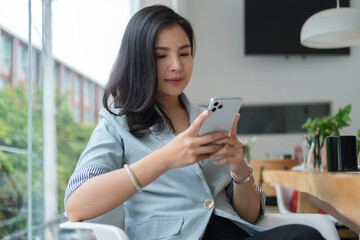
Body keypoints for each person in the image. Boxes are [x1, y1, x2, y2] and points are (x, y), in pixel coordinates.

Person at [64, 5, 325, 240]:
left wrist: (239, 169)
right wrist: (166, 158)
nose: (177, 66)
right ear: (139, 60)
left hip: (233, 234)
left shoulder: (206, 117)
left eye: (184, 53)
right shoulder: (118, 122)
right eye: (161, 56)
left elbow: (250, 216)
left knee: (305, 236)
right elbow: (76, 204)